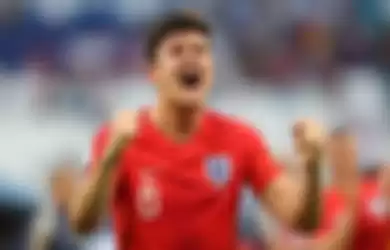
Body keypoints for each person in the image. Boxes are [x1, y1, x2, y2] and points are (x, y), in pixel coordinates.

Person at [69, 11, 325, 250]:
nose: (191, 59)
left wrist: (312, 168)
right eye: (176, 51)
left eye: (200, 51)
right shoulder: (121, 137)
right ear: (153, 73)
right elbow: (82, 224)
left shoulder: (240, 138)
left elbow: (303, 221)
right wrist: (110, 158)